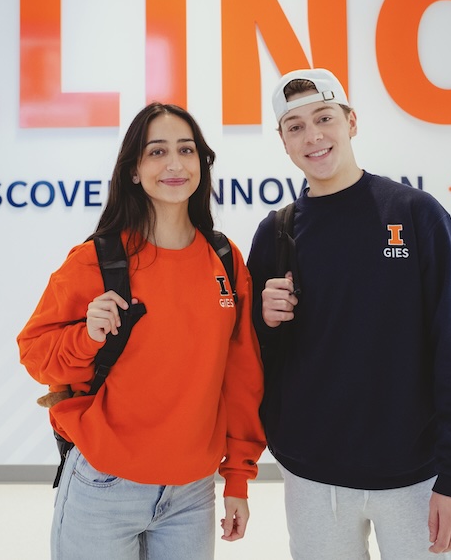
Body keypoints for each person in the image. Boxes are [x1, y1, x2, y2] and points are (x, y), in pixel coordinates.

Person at [247, 68, 451, 559]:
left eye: (324, 118)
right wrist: (263, 321)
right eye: (295, 127)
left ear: (351, 122)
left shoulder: (414, 214)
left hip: (414, 475)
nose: (313, 136)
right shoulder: (276, 234)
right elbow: (252, 357)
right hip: (313, 478)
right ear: (283, 141)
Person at [18, 102, 265, 560]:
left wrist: (238, 478)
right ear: (134, 170)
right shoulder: (97, 259)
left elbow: (241, 377)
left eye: (186, 150)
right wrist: (86, 336)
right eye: (157, 152)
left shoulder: (225, 259)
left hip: (192, 494)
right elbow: (34, 353)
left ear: (200, 163)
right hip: (103, 485)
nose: (174, 164)